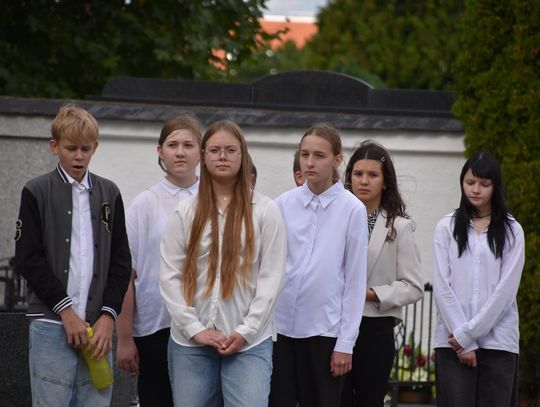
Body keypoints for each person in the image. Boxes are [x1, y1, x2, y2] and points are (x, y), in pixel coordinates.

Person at [159, 119, 286, 407]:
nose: (223, 156)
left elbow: (272, 277)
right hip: (191, 343)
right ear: (203, 156)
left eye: (231, 150)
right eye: (215, 150)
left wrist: (246, 331)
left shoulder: (265, 210)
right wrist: (195, 328)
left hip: (249, 343)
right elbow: (169, 276)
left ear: (243, 156)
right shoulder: (186, 211)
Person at [14, 104, 132, 406]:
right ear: (54, 147)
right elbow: (28, 257)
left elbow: (121, 261)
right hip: (51, 324)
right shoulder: (36, 190)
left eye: (85, 149)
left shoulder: (110, 192)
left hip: (98, 327)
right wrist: (66, 311)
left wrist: (108, 316)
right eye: (71, 148)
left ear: (95, 148)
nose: (79, 156)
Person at [270, 123, 368, 407]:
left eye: (319, 156)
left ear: (337, 160)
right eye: (305, 154)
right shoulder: (282, 204)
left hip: (325, 331)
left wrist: (345, 343)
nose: (310, 162)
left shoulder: (352, 209)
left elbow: (355, 280)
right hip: (280, 330)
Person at [116, 115, 202, 406]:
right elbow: (127, 275)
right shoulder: (145, 204)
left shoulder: (214, 199)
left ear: (200, 152)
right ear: (160, 151)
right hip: (156, 325)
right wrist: (124, 338)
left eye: (188, 145)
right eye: (173, 145)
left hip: (205, 323)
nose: (180, 152)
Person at [433, 151, 525, 407]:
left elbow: (505, 292)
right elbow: (441, 286)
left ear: (496, 186)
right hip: (451, 343)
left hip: (498, 343)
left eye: (484, 184)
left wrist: (468, 334)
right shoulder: (446, 227)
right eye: (470, 182)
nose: (475, 190)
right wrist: (463, 341)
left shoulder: (512, 230)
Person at [341, 140, 424, 407]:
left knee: (370, 401)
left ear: (385, 181)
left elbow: (414, 286)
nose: (364, 181)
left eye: (373, 175)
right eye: (358, 173)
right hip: (333, 324)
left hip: (375, 328)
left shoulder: (399, 227)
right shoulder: (336, 218)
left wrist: (371, 294)